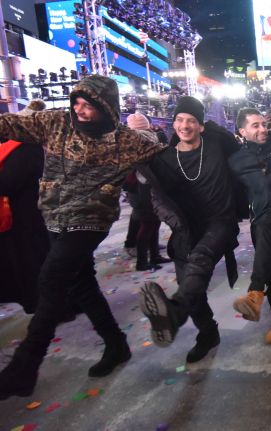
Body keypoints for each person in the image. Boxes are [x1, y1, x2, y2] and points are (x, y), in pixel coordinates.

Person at [0, 75, 164, 400]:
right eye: (77, 102)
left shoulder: (125, 140)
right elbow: (10, 124)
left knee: (51, 280)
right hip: (54, 218)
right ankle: (116, 344)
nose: (80, 110)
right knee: (81, 285)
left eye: (88, 105)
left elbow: (165, 155)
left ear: (106, 107)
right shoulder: (55, 122)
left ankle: (25, 366)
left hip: (90, 220)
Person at [138, 96, 240, 363]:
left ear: (201, 125)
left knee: (200, 259)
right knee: (190, 284)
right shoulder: (164, 159)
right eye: (180, 120)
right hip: (186, 228)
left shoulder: (216, 144)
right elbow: (155, 197)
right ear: (173, 124)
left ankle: (175, 311)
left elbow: (244, 141)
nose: (185, 125)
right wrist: (173, 221)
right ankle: (206, 332)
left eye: (192, 120)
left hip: (220, 221)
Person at [228, 108, 271, 345]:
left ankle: (255, 293)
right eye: (255, 125)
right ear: (242, 131)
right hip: (262, 220)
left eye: (264, 124)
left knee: (265, 224)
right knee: (270, 268)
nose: (262, 129)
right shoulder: (236, 160)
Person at [0, 100, 48, 314]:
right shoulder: (24, 146)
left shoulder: (27, 148)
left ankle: (42, 303)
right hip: (26, 213)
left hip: (26, 215)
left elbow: (7, 183)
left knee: (32, 260)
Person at [125, 112, 172, 271]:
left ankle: (154, 255)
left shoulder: (132, 143)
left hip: (142, 190)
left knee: (153, 223)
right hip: (142, 192)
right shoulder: (140, 143)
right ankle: (142, 261)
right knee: (147, 226)